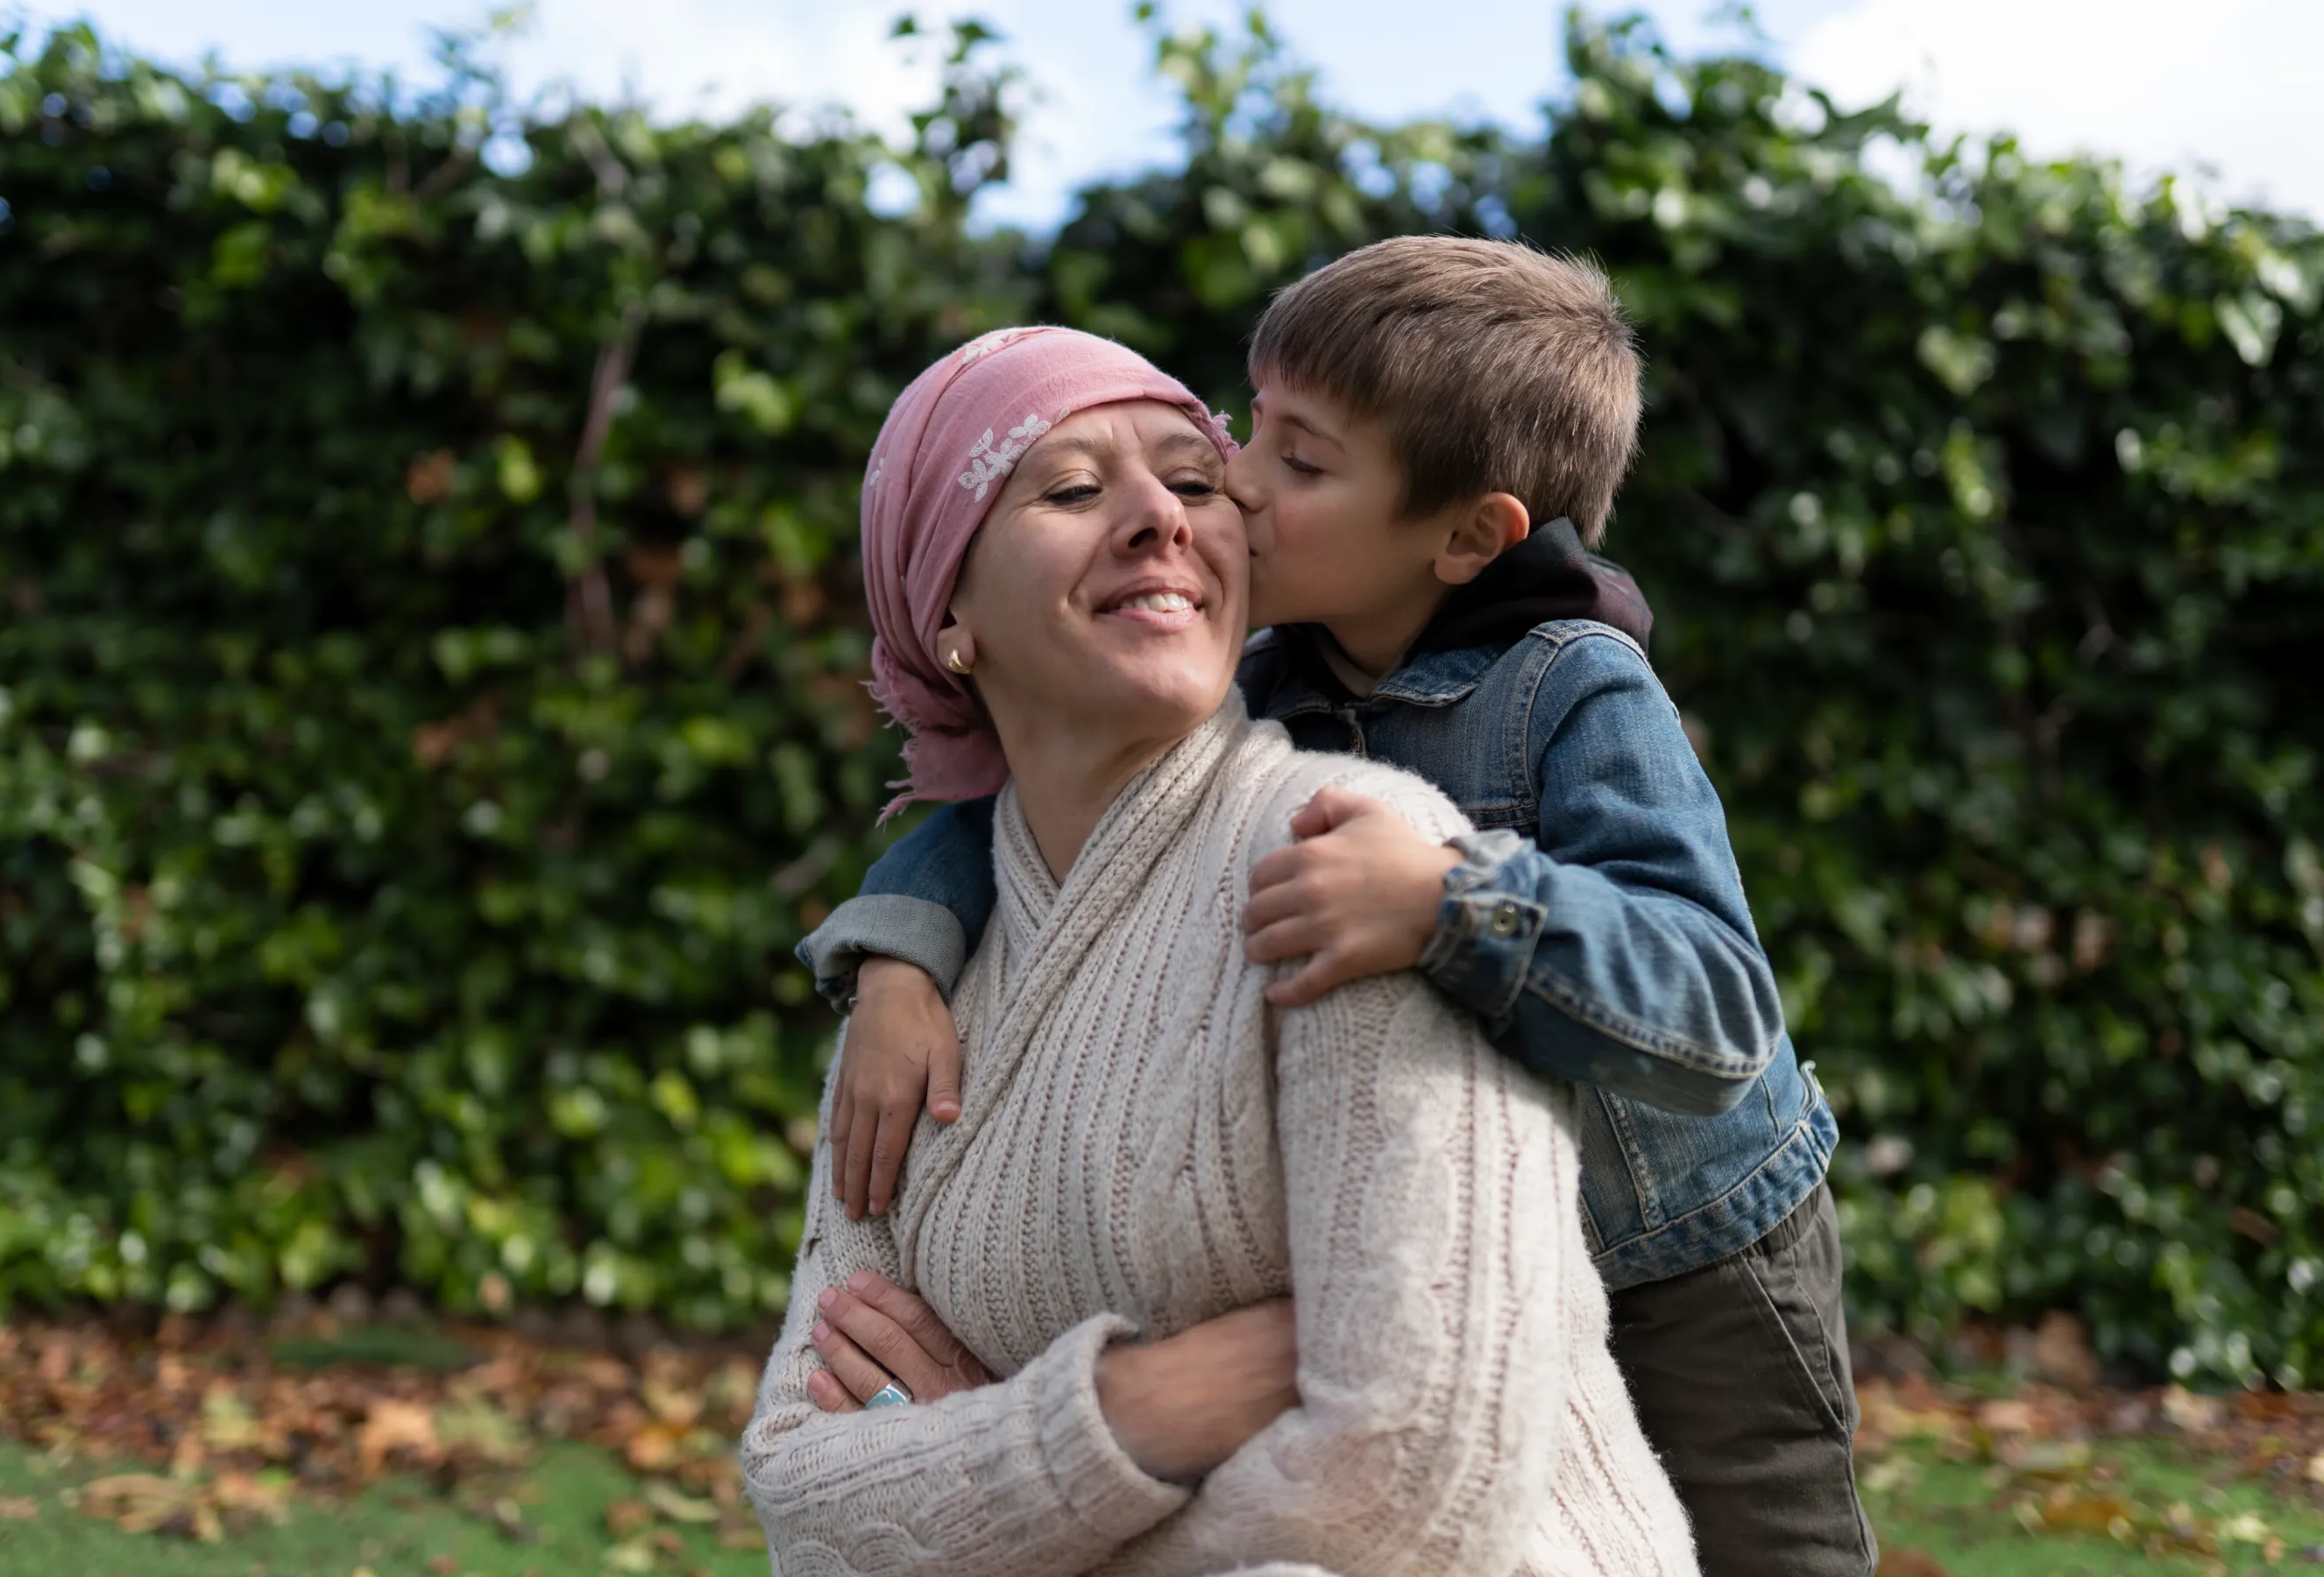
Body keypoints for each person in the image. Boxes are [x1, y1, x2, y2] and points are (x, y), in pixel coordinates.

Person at [801, 240, 1870, 1577]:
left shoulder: (1569, 689)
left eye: (1301, 462)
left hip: (1684, 1253)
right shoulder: (1259, 673)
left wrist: (1453, 906)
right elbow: (1007, 801)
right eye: (1251, 428)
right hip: (1456, 1262)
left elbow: (1715, 1011)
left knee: (1769, 1551)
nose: (1235, 479)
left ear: (1467, 536)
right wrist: (900, 959)